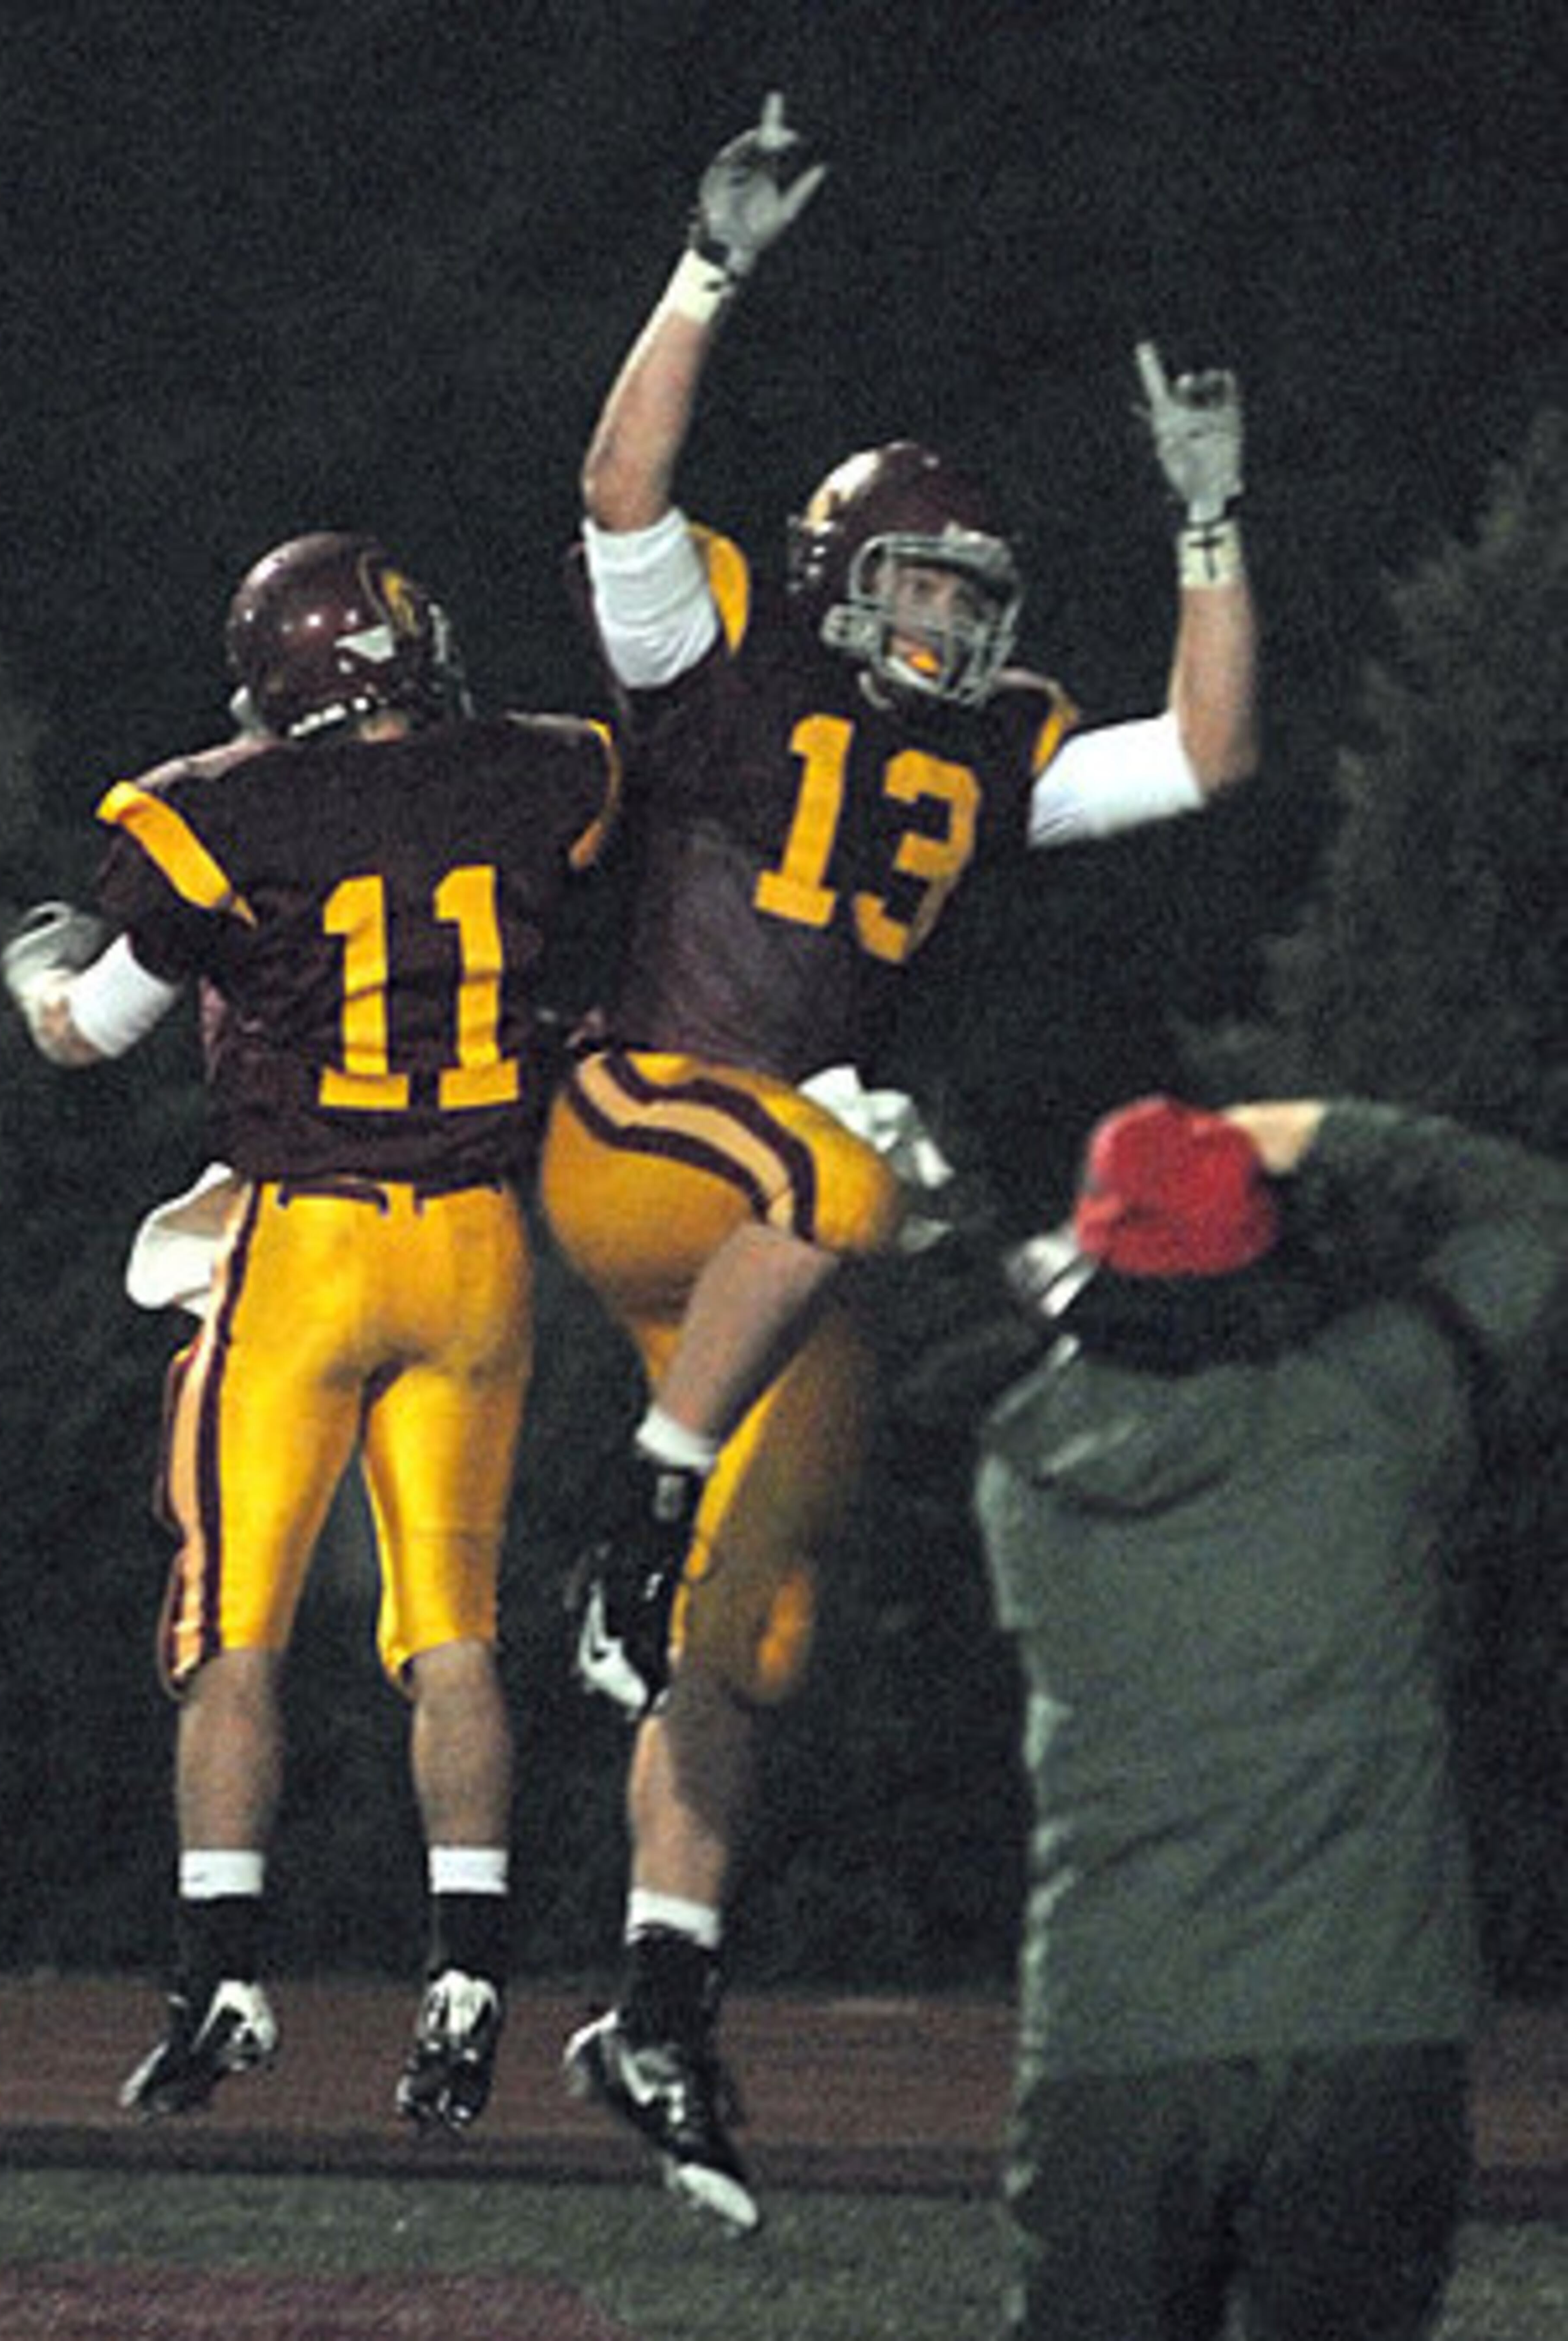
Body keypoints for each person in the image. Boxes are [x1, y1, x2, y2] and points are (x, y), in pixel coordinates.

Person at [539, 93, 1261, 2230]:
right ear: (848, 571)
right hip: (647, 1129)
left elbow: (1211, 751)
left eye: (972, 590)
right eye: (920, 580)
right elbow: (616, 489)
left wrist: (1208, 523)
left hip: (786, 1210)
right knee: (856, 1177)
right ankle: (628, 1522)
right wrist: (709, 267)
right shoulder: (731, 658)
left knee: (754, 1632)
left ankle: (655, 2007)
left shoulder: (1001, 740)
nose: (947, 618)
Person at [1, 530, 618, 2131]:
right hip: (481, 1249)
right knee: (455, 1634)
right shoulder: (541, 772)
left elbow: (91, 1034)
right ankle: (468, 1982)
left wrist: (38, 973)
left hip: (307, 1245)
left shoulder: (225, 807)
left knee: (233, 1629)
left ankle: (219, 1981)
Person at [909, 1092, 1568, 2340]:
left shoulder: (1025, 1470)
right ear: (1255, 1255)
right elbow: (1537, 1213)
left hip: (1117, 2028)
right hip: (1372, 2027)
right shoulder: (1375, 1409)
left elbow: (1020, 1334)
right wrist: (1320, 1130)